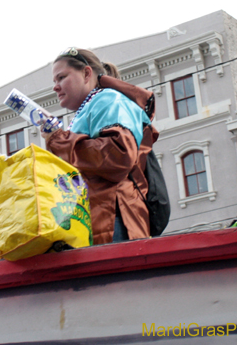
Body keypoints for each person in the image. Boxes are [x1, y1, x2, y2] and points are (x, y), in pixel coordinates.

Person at [42, 48, 158, 245]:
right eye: (54, 81)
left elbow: (118, 155)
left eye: (61, 77)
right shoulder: (92, 107)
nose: (55, 87)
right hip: (101, 221)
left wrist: (59, 141)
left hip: (113, 221)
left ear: (87, 73)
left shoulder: (107, 100)